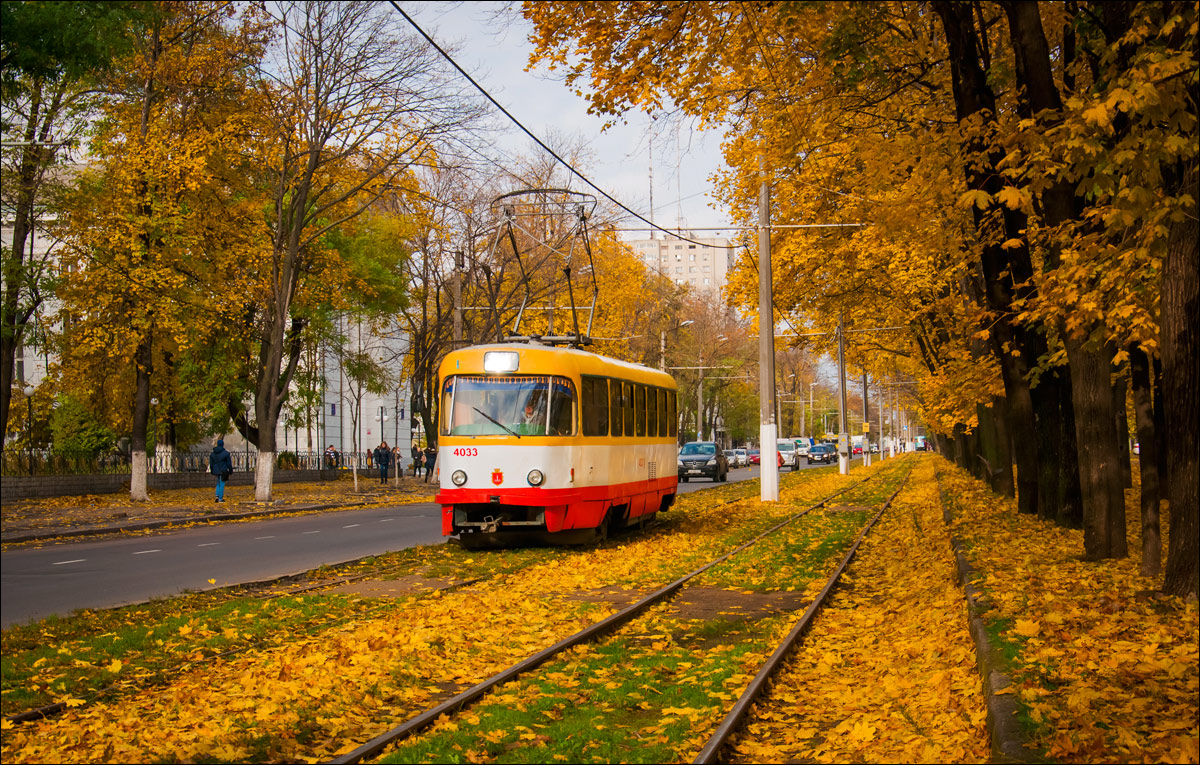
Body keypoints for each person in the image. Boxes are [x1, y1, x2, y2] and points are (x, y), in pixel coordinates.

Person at [209, 438, 233, 503]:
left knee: (218, 483)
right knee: (222, 483)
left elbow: (211, 464)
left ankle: (217, 495)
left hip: (216, 470)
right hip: (223, 470)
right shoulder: (226, 453)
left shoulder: (212, 454)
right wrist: (230, 470)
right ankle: (220, 499)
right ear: (223, 445)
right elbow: (229, 463)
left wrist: (212, 471)